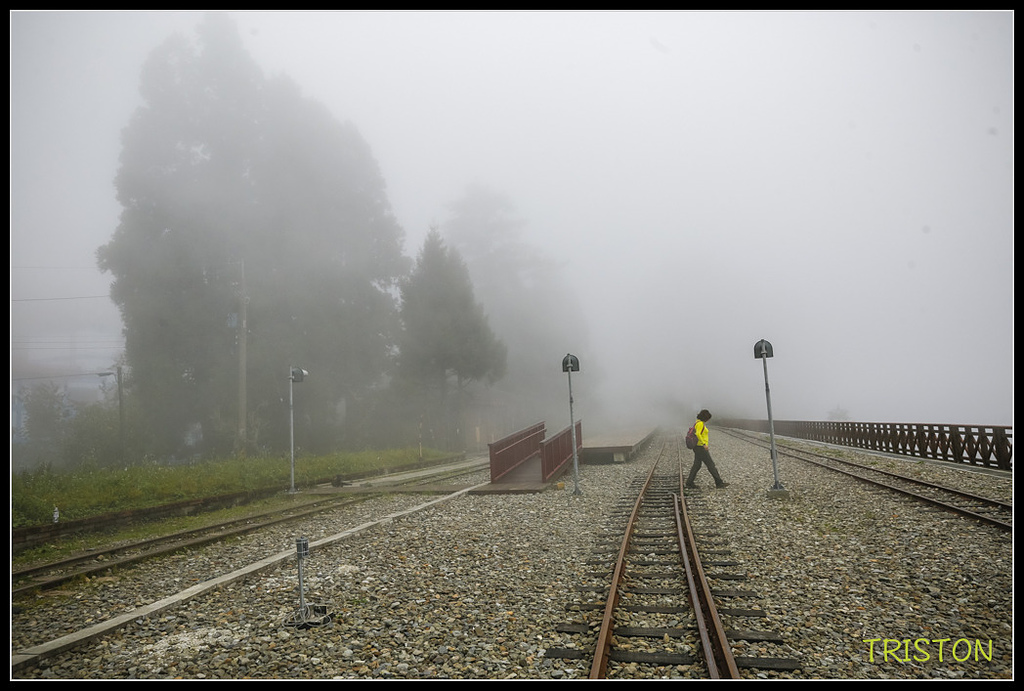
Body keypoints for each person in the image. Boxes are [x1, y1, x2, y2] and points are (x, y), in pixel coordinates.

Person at [686, 409, 728, 489]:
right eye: (708, 418)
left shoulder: (697, 422)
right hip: (700, 447)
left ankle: (689, 482)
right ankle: (719, 483)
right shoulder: (700, 424)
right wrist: (704, 444)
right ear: (705, 417)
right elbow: (698, 434)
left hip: (697, 447)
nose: (708, 420)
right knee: (710, 465)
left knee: (697, 465)